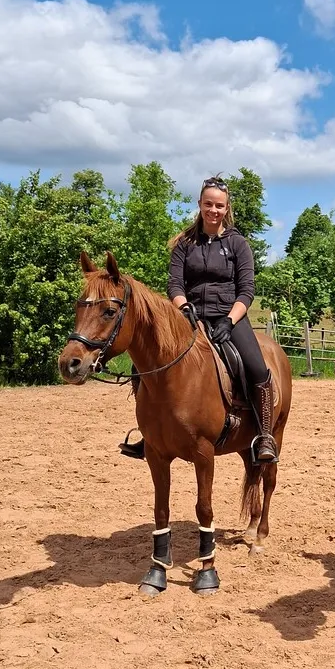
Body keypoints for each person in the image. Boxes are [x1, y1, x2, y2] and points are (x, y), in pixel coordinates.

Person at [121, 176, 278, 463]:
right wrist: (182, 307)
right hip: (189, 315)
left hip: (229, 316)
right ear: (200, 204)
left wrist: (229, 321)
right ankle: (151, 433)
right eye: (208, 204)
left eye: (219, 205)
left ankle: (264, 435)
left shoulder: (237, 244)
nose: (213, 210)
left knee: (257, 367)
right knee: (141, 365)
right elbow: (175, 285)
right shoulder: (184, 243)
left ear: (226, 207)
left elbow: (246, 290)